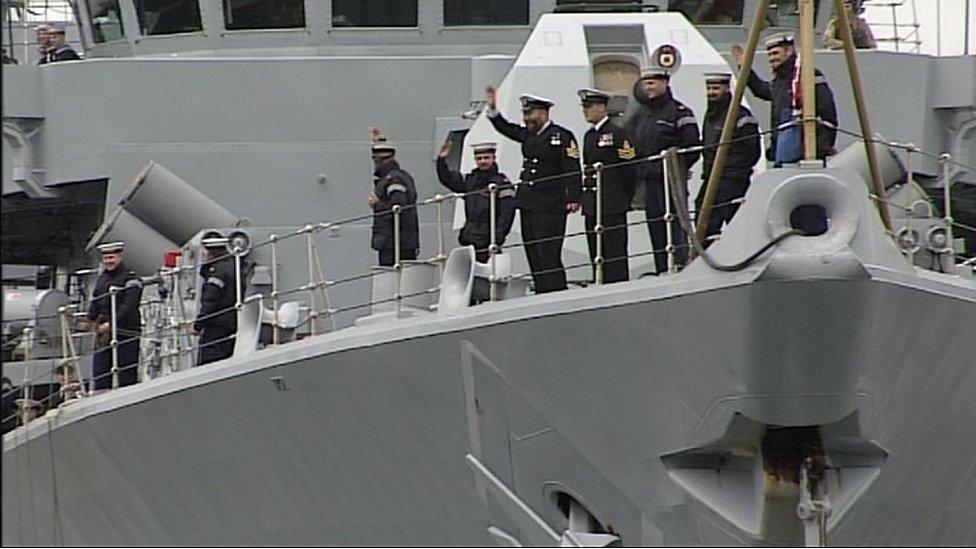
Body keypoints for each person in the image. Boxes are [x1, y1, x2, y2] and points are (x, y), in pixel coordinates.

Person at [485, 86, 581, 293]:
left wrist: (574, 197)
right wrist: (493, 111)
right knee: (533, 252)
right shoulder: (529, 135)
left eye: (530, 113)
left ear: (544, 113)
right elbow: (507, 128)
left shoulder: (561, 136)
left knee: (549, 254)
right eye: (524, 113)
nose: (526, 118)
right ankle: (542, 291)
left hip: (550, 204)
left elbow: (572, 167)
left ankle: (556, 292)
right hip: (529, 202)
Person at [625, 67, 700, 274]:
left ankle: (680, 266)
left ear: (665, 84)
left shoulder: (680, 112)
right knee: (656, 226)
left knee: (675, 223)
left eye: (653, 83)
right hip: (649, 180)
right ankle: (661, 269)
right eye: (646, 83)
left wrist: (679, 167)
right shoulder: (643, 115)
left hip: (670, 179)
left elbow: (693, 146)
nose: (649, 87)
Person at [731, 32, 838, 165]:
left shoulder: (808, 76)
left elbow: (827, 113)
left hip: (806, 155)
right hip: (783, 153)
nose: (771, 58)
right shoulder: (780, 82)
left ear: (789, 51)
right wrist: (744, 67)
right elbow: (761, 90)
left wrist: (819, 150)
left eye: (775, 53)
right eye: (769, 55)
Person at [435, 140, 517, 302]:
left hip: (489, 241)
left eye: (486, 157)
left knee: (489, 283)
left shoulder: (502, 183)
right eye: (479, 158)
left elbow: (507, 214)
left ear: (494, 157)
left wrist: (497, 238)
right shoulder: (471, 181)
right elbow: (449, 180)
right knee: (470, 283)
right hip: (471, 238)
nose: (483, 162)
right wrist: (441, 161)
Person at [577, 88, 638, 283]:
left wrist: (622, 197)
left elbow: (628, 169)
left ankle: (617, 285)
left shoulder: (618, 133)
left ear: (602, 107)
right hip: (593, 204)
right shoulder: (589, 136)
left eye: (589, 107)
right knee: (597, 251)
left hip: (612, 202)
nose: (585, 111)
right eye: (584, 107)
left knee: (615, 252)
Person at [695, 72, 762, 247]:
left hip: (733, 179)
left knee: (734, 219)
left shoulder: (741, 116)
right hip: (711, 177)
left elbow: (752, 150)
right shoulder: (711, 115)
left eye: (716, 88)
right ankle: (707, 256)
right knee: (703, 216)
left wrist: (732, 169)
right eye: (709, 88)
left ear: (727, 88)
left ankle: (740, 252)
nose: (711, 92)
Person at [86, 241, 142, 390]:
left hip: (125, 333)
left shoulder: (131, 278)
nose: (108, 261)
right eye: (106, 258)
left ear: (120, 257)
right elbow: (96, 300)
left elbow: (129, 306)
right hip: (104, 335)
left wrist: (111, 324)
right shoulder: (102, 279)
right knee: (101, 374)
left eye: (112, 257)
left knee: (125, 375)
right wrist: (90, 320)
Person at [368, 128, 420, 267]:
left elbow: (398, 208)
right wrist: (381, 142)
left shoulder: (393, 180)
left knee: (394, 278)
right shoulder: (396, 176)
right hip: (398, 241)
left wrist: (377, 204)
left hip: (395, 243)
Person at [192, 233, 244, 365]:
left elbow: (211, 300)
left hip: (217, 325)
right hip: (232, 323)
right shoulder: (234, 267)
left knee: (209, 362)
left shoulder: (217, 272)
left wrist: (197, 325)